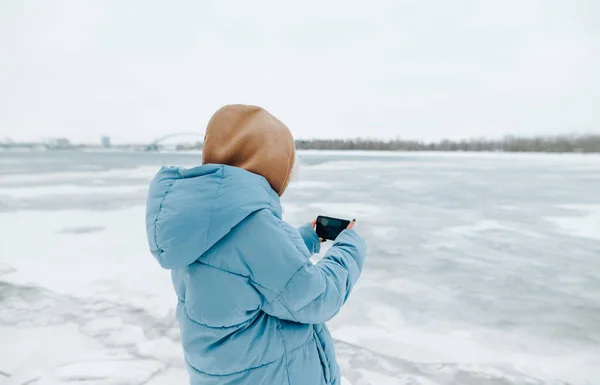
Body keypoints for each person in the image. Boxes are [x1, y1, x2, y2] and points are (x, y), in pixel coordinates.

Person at [145, 104, 367, 385]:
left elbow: (239, 268)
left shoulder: (200, 221)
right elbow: (317, 298)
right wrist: (350, 247)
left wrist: (307, 238)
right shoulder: (254, 227)